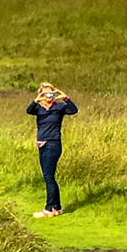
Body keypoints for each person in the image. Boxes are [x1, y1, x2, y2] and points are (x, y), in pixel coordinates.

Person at [26, 82, 79, 217]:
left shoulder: (59, 107)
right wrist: (36, 100)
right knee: (49, 176)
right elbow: (29, 111)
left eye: (51, 93)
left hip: (53, 144)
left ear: (54, 94)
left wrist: (65, 97)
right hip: (41, 144)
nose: (48, 96)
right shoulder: (39, 108)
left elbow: (73, 110)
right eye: (45, 93)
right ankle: (57, 207)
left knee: (49, 176)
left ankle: (49, 208)